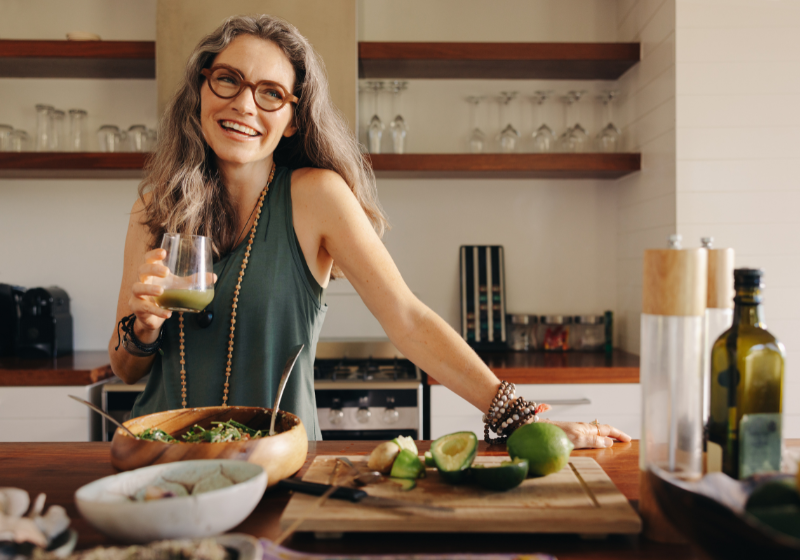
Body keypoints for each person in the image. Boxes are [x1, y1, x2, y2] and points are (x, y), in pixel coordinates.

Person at [108, 14, 630, 449]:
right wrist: (143, 328)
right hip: (157, 460)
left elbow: (408, 319)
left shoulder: (316, 197)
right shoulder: (154, 207)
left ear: (293, 119)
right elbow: (125, 367)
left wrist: (517, 416)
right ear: (202, 88)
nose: (244, 105)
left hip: (276, 464)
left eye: (271, 93)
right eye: (228, 79)